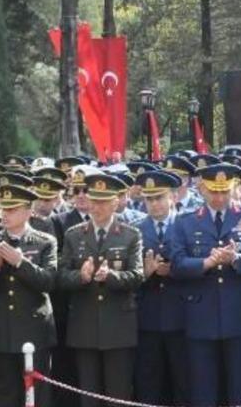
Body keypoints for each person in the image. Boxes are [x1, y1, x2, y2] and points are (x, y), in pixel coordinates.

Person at [170, 164, 241, 406]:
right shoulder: (185, 220)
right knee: (203, 386)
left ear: (233, 188)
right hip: (201, 312)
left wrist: (236, 259)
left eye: (224, 191)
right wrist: (206, 263)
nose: (219, 197)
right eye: (214, 191)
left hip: (240, 311)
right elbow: (177, 264)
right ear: (202, 188)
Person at [58, 174, 143, 407]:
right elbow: (61, 276)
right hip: (84, 326)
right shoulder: (74, 234)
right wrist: (81, 277)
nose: (96, 207)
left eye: (103, 202)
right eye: (94, 201)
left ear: (116, 202)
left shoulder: (130, 235)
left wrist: (112, 276)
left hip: (118, 327)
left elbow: (137, 275)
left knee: (118, 395)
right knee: (89, 396)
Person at [0, 184, 58, 407]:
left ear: (28, 212)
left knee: (36, 396)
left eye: (12, 209)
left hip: (33, 332)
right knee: (4, 395)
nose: (5, 214)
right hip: (0, 332)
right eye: (4, 208)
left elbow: (49, 282)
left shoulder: (44, 241)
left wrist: (21, 263)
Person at [132, 171, 189, 405]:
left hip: (182, 316)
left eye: (159, 197)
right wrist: (144, 273)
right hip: (148, 318)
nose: (154, 203)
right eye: (149, 199)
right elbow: (127, 276)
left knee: (183, 381)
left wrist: (173, 271)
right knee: (149, 383)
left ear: (173, 197)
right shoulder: (135, 230)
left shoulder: (188, 225)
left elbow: (199, 268)